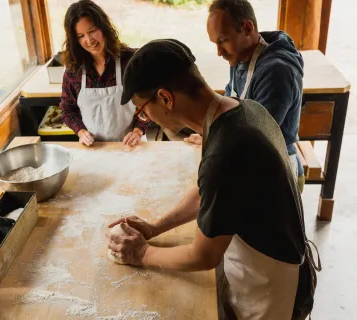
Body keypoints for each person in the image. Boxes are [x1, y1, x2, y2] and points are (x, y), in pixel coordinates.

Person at [106, 39, 321, 319]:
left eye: (141, 109)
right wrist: (155, 227)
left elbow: (203, 256)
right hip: (268, 260)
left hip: (270, 284)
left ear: (165, 98)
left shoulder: (228, 149)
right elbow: (206, 191)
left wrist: (141, 254)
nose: (145, 117)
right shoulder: (239, 110)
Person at [185, 0, 305, 191]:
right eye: (215, 43)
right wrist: (212, 136)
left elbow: (257, 137)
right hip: (254, 158)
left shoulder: (276, 71)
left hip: (278, 171)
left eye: (223, 40)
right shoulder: (241, 56)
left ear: (248, 28)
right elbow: (229, 104)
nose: (218, 52)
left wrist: (216, 144)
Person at [59, 0, 149, 146]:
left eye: (92, 31)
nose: (89, 40)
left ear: (103, 27)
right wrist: (81, 132)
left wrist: (138, 131)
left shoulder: (130, 61)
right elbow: (67, 109)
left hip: (131, 145)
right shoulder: (74, 69)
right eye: (80, 36)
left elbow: (148, 102)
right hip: (94, 148)